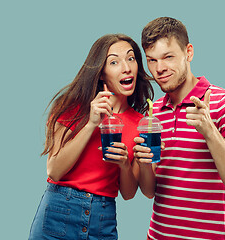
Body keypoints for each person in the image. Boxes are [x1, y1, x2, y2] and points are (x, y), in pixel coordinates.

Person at [133, 17, 225, 240]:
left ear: (189, 52)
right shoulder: (153, 114)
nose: (159, 69)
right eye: (152, 60)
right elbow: (150, 191)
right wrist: (144, 163)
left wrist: (209, 132)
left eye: (168, 57)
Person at [29, 33, 153, 240]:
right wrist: (92, 123)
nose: (126, 67)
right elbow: (55, 170)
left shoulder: (141, 123)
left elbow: (129, 194)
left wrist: (123, 164)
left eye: (131, 58)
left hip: (102, 218)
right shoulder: (71, 107)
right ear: (102, 73)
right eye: (114, 62)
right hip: (59, 212)